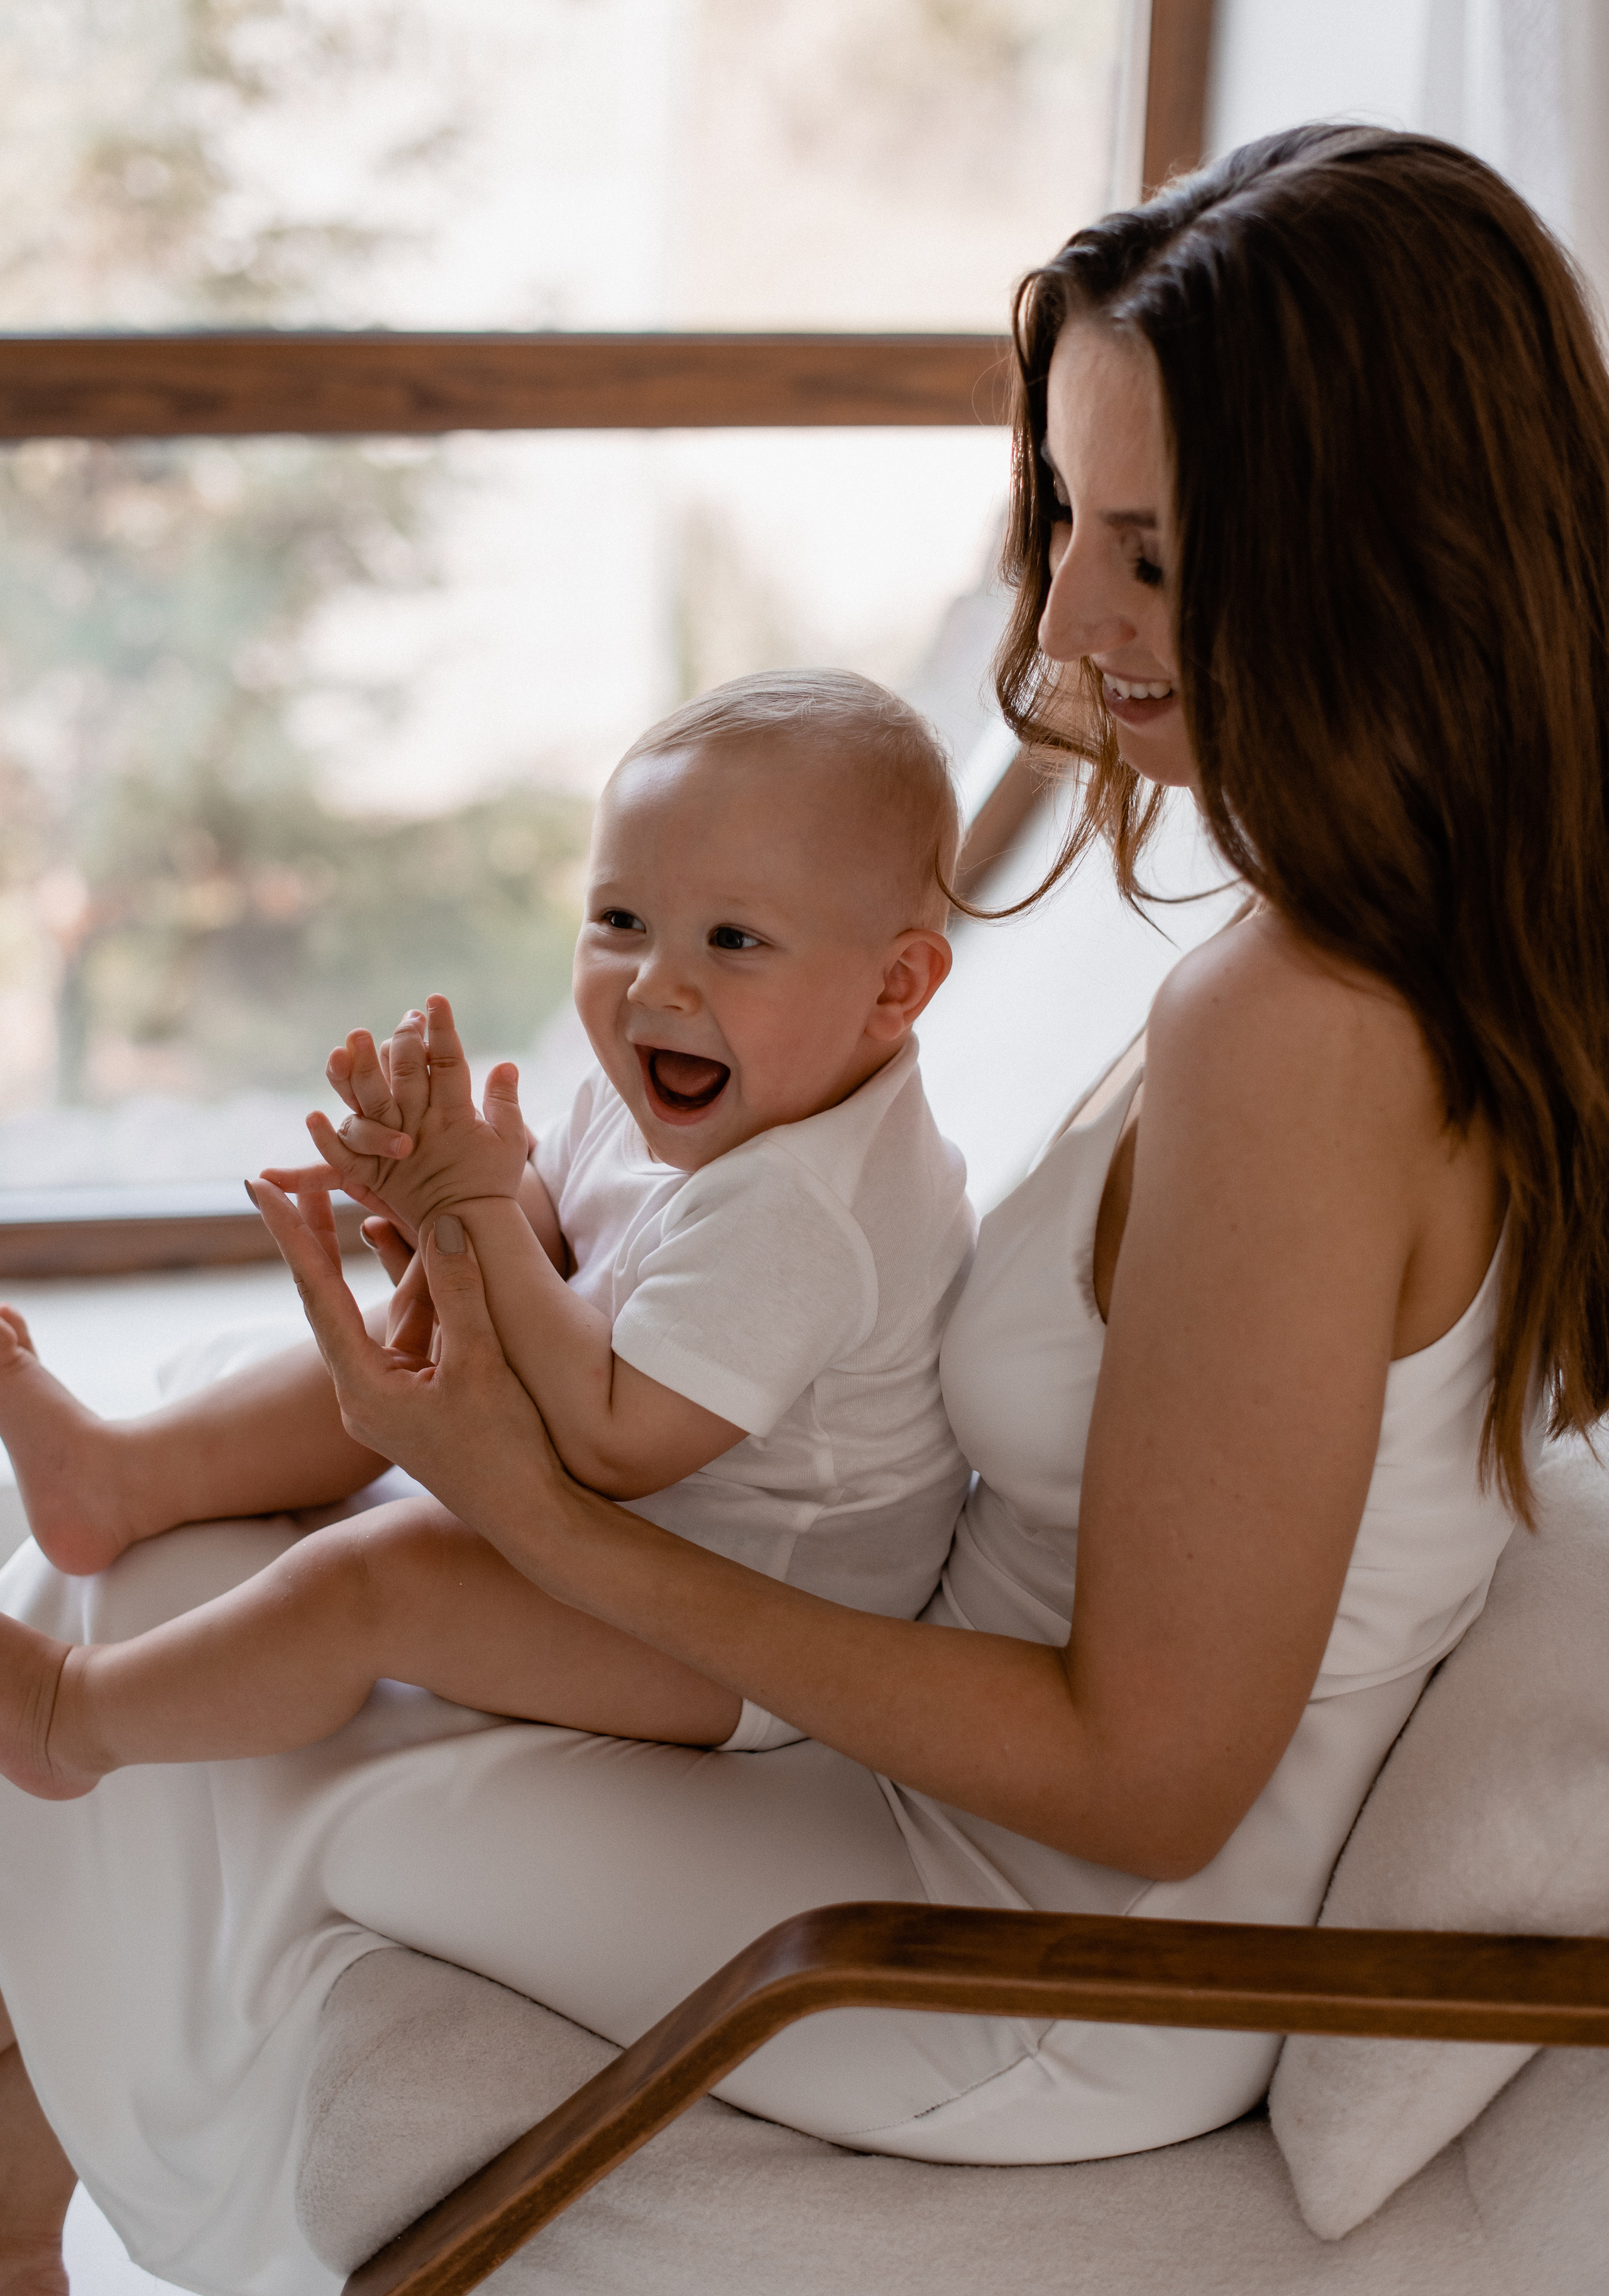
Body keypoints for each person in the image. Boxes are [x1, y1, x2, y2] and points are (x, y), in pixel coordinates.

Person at [3, 123, 1608, 2296]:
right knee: (169, 1595)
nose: (1068, 622)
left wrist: (538, 1518)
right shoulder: (1372, 959)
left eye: (1155, 555)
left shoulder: (1298, 1036)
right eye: (1066, 519)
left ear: (1381, 562)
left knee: (211, 1732)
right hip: (941, 1806)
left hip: (1039, 1953)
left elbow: (1151, 1778)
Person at [0, 671, 974, 1791]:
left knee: (385, 1576)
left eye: (734, 939)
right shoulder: (678, 1072)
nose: (655, 985)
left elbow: (614, 1442)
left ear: (895, 985)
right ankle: (120, 1478)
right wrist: (448, 1185)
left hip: (751, 1621)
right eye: (621, 921)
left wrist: (473, 1216)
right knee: (407, 1341)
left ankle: (73, 1719)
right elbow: (550, 1235)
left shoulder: (807, 1211)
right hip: (640, 1525)